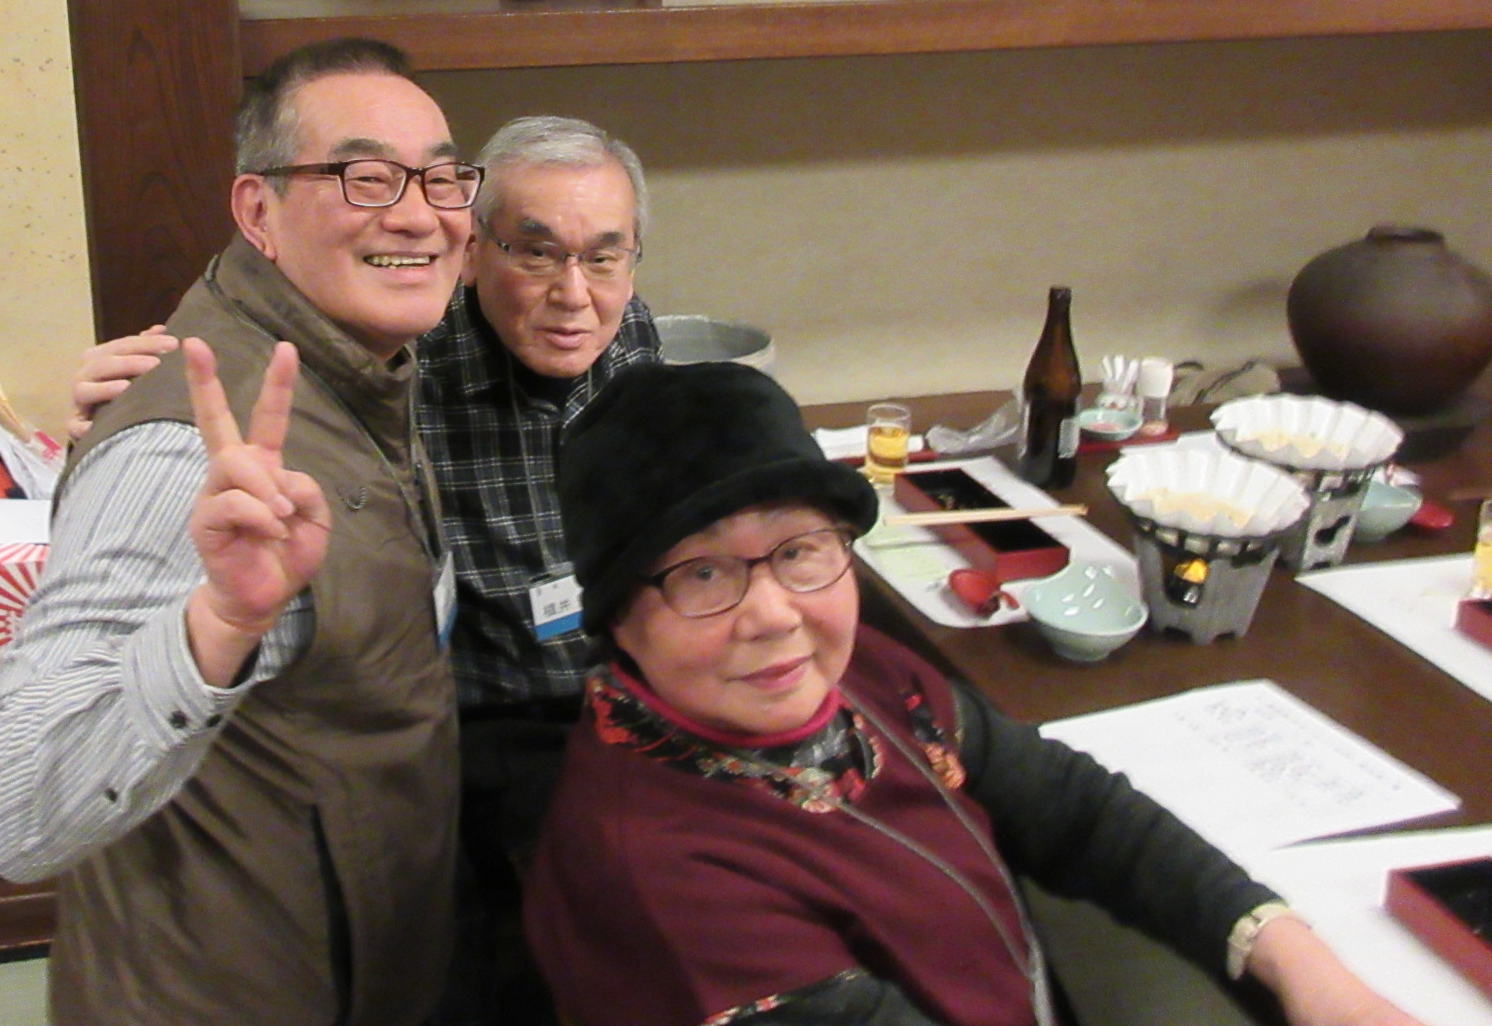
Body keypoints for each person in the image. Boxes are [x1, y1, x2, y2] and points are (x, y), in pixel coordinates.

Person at [527, 360, 1425, 1026]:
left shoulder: (856, 673)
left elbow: (1075, 807)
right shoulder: (660, 878)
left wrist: (1302, 964)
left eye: (799, 549)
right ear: (620, 617)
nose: (772, 615)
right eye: (702, 573)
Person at [68, 114, 660, 1023]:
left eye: (605, 258)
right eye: (536, 254)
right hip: (465, 727)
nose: (573, 296)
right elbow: (243, 391)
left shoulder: (633, 338)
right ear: (472, 251)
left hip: (615, 701)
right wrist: (119, 418)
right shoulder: (398, 356)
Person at [0, 37, 477, 1025]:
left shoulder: (358, 356)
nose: (419, 214)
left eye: (442, 178)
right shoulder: (181, 453)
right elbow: (12, 809)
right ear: (257, 211)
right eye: (365, 178)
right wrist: (215, 627)